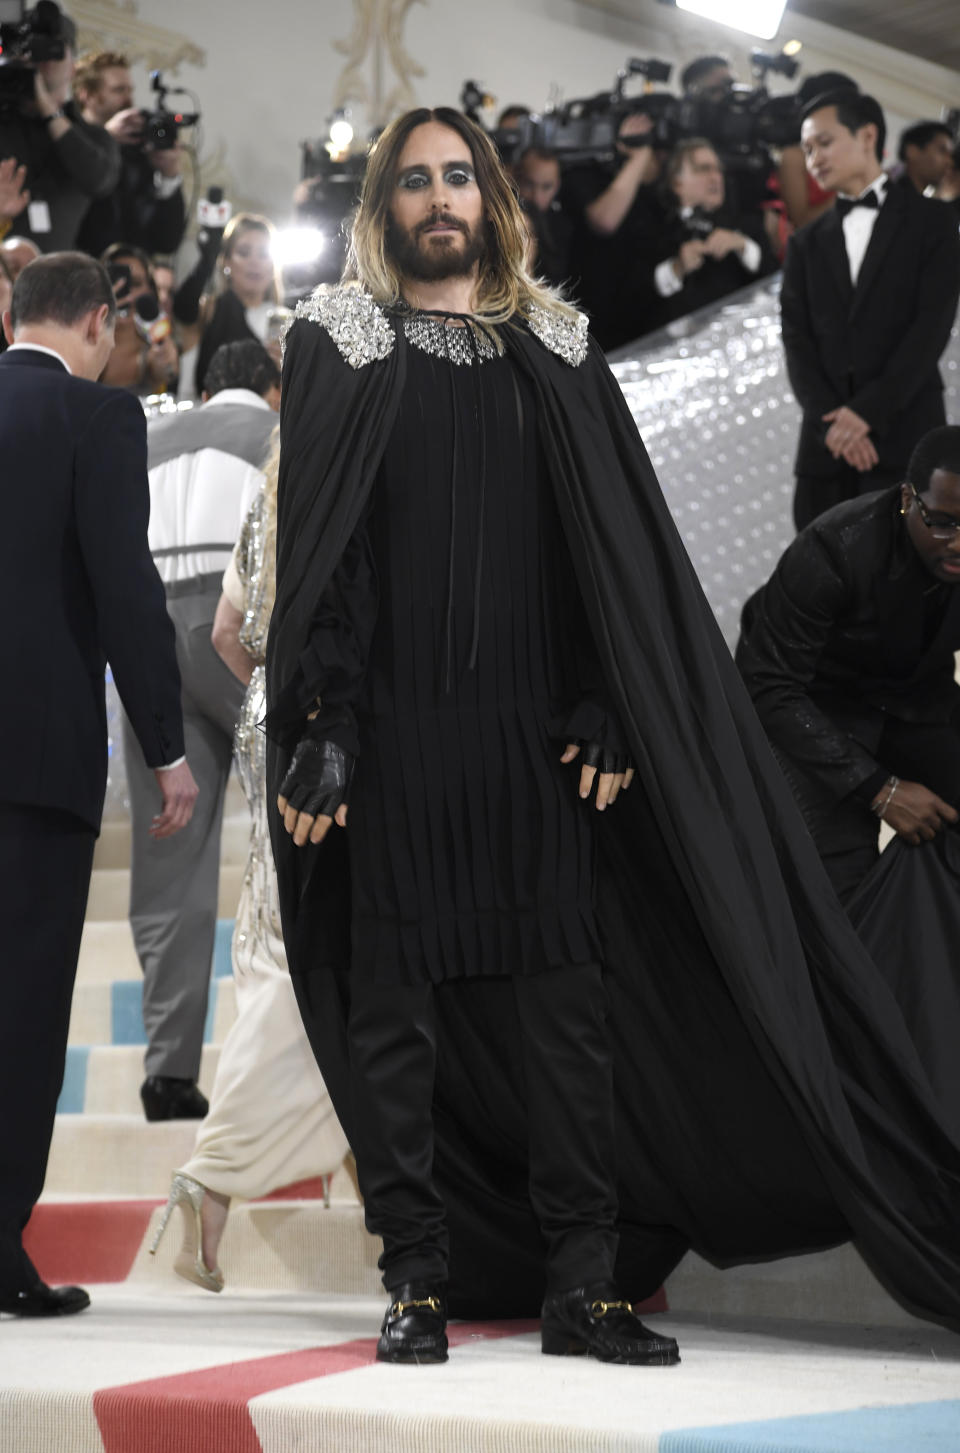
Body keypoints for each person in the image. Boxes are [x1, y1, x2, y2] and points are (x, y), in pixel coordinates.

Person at [267, 106, 960, 1366]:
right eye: (414, 180)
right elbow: (331, 554)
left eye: (459, 177)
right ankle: (415, 1275)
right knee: (397, 1026)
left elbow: (611, 556)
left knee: (571, 1031)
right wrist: (325, 719)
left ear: (493, 200)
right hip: (401, 745)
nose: (439, 199)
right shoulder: (339, 340)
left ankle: (584, 1287)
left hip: (540, 746)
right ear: (383, 206)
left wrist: (603, 700)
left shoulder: (558, 341)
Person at [0, 251, 197, 1317]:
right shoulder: (96, 419)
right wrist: (165, 745)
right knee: (21, 1009)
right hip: (35, 760)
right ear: (92, 324)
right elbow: (128, 589)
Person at [149, 432, 352, 1290]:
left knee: (275, 938)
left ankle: (348, 1166)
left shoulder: (268, 497)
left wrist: (260, 692)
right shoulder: (341, 483)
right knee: (309, 952)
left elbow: (227, 632)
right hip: (324, 723)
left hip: (264, 712)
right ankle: (212, 1177)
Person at [124, 340, 279, 1124]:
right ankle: (306, 1054)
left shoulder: (146, 439)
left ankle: (168, 1073)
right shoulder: (279, 436)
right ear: (270, 388)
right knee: (299, 830)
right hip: (241, 634)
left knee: (169, 858)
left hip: (147, 645)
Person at [737, 426, 960, 905]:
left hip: (910, 697)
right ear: (907, 499)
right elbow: (768, 685)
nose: (958, 543)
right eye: (942, 522)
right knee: (842, 884)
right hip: (812, 708)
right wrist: (882, 790)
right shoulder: (832, 550)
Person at [782, 89, 960, 530]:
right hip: (825, 452)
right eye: (806, 150)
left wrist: (866, 413)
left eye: (823, 142)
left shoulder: (933, 221)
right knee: (819, 583)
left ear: (867, 136)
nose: (813, 159)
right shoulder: (804, 242)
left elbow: (930, 328)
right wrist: (834, 426)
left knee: (906, 583)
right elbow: (797, 341)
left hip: (903, 438)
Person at [0, 7, 119, 252]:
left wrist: (49, 110)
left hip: (55, 278)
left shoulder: (92, 136)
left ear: (73, 67)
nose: (43, 61)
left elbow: (99, 181)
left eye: (52, 51)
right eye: (33, 49)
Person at [563, 107, 668, 348]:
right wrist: (638, 155)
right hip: (598, 325)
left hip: (649, 320)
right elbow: (605, 220)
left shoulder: (656, 193)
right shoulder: (583, 174)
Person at [647, 137, 775, 330]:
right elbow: (638, 297)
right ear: (676, 182)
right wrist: (677, 267)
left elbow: (774, 276)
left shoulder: (746, 224)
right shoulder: (653, 229)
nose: (716, 177)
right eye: (704, 169)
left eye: (718, 170)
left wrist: (742, 245)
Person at [72, 50, 186, 260]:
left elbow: (167, 241)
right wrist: (106, 138)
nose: (128, 99)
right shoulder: (66, 141)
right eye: (118, 90)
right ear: (86, 94)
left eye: (130, 90)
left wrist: (168, 176)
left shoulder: (139, 151)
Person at [178, 213, 283, 399]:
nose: (255, 262)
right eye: (243, 252)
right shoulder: (208, 311)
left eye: (264, 254)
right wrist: (205, 264)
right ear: (226, 261)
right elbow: (182, 309)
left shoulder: (288, 320)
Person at [99, 242, 179, 395]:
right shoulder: (82, 340)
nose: (127, 294)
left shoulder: (155, 341)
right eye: (116, 283)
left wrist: (165, 360)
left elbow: (167, 372)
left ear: (149, 290)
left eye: (135, 283)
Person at [515, 146, 573, 289]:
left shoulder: (564, 230)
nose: (536, 197)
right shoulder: (500, 218)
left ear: (557, 186)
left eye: (546, 187)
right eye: (529, 184)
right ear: (516, 177)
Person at [895, 121, 956, 196]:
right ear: (912, 151)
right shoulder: (892, 198)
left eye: (950, 155)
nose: (949, 162)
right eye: (942, 151)